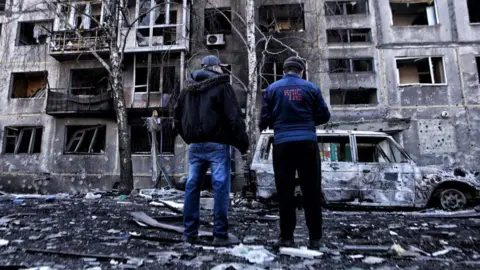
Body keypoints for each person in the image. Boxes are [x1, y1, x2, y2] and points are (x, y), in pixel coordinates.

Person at [174, 55, 249, 246]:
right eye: (220, 67)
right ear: (215, 68)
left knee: (192, 186)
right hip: (217, 144)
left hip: (196, 146)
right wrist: (243, 146)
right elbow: (233, 118)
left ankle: (189, 234)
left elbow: (177, 118)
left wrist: (189, 138)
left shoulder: (187, 89)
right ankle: (220, 235)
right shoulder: (222, 86)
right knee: (221, 187)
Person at [259, 56, 331, 250]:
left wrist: (276, 122)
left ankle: (287, 238)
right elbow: (324, 115)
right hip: (307, 142)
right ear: (301, 71)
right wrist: (307, 121)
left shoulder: (272, 89)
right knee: (312, 191)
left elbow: (264, 118)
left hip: (283, 144)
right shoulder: (312, 88)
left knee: (285, 192)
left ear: (284, 70)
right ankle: (315, 239)